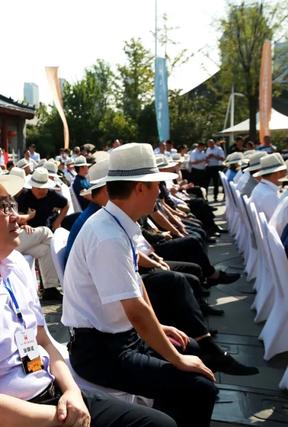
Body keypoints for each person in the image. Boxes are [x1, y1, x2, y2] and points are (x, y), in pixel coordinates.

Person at [0, 164, 176, 427]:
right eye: (3, 207)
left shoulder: (14, 266)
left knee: (159, 424)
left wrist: (72, 393)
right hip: (2, 420)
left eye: (12, 205)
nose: (16, 216)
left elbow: (44, 341)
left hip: (51, 397)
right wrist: (60, 418)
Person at [62, 143, 218, 426]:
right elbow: (134, 309)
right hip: (101, 352)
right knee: (200, 387)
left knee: (191, 348)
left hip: (122, 340)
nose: (160, 191)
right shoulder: (107, 234)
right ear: (140, 188)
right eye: (156, 185)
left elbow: (136, 287)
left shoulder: (116, 224)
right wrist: (176, 360)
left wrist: (160, 327)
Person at [250, 153, 287, 220]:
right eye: (285, 171)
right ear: (278, 173)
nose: (286, 174)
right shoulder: (269, 195)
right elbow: (281, 223)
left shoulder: (261, 188)